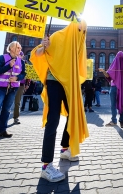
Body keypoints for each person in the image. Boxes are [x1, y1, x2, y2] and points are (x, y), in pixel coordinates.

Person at [30, 20, 89, 183]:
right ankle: (46, 165)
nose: (81, 33)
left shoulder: (79, 41)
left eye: (83, 31)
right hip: (54, 81)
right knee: (53, 120)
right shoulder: (57, 36)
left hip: (70, 83)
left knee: (74, 114)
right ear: (72, 27)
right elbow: (37, 54)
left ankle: (65, 149)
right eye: (79, 29)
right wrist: (44, 46)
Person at [99, 51, 123, 128]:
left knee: (115, 104)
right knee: (119, 104)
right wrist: (103, 71)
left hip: (116, 87)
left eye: (120, 58)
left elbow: (108, 75)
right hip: (119, 88)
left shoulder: (118, 64)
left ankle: (116, 121)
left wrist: (104, 71)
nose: (119, 60)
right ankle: (120, 121)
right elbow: (108, 75)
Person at [13, 51, 26, 124]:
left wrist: (27, 84)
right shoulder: (12, 61)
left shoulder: (24, 63)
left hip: (20, 85)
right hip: (11, 84)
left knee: (17, 102)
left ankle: (16, 117)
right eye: (19, 54)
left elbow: (26, 75)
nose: (20, 56)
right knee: (6, 102)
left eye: (21, 55)